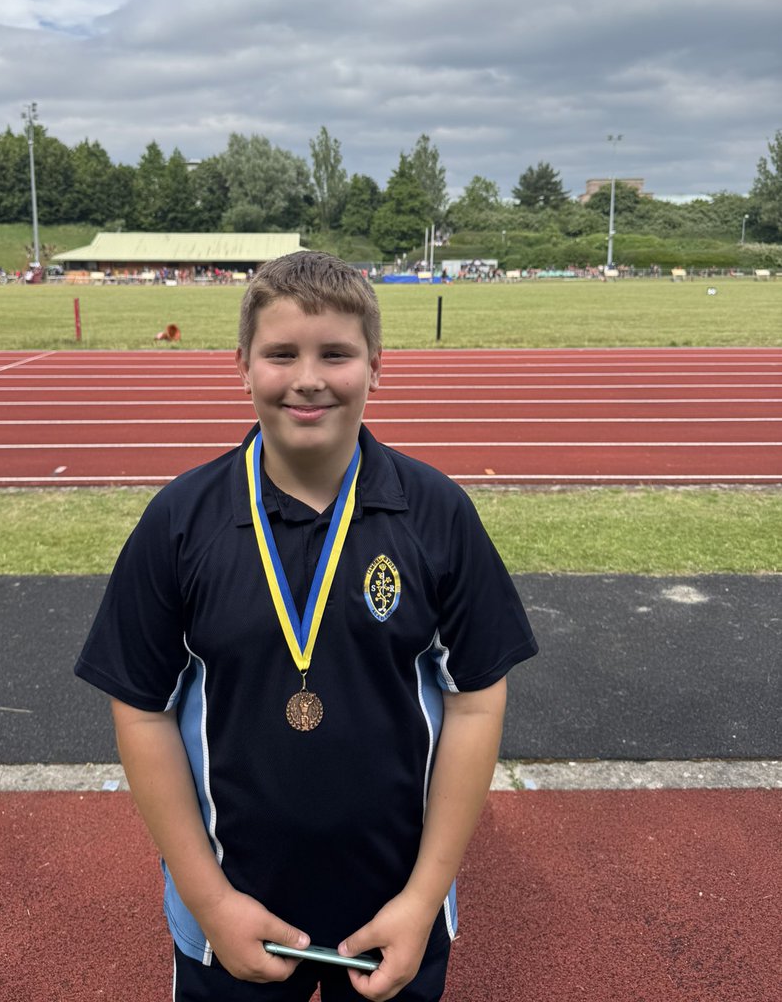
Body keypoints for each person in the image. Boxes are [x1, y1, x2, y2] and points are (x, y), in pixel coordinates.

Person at [75, 251, 537, 1002]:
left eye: (336, 354)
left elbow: (477, 701)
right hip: (231, 911)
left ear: (376, 366)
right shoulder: (180, 523)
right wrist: (212, 902)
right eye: (281, 353)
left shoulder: (437, 514)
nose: (309, 378)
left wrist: (423, 900)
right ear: (243, 366)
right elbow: (140, 708)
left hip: (395, 910)